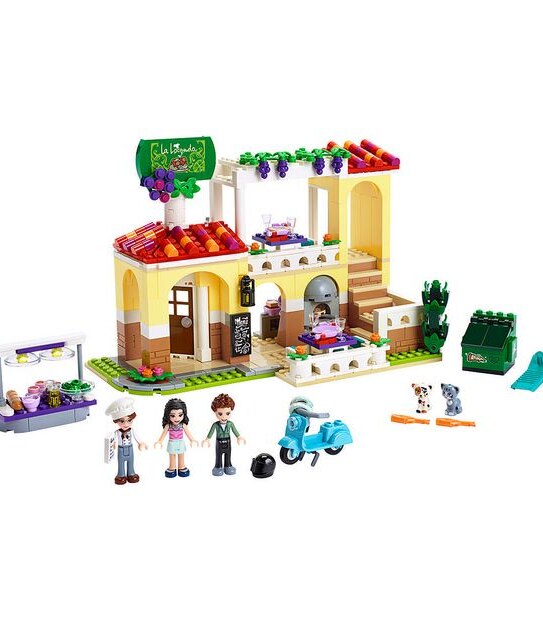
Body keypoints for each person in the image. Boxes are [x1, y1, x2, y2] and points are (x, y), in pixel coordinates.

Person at [105, 397, 147, 485]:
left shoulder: (132, 430)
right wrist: (113, 444)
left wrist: (141, 443)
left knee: (131, 461)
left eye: (129, 420)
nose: (126, 424)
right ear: (116, 421)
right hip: (121, 450)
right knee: (120, 463)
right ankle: (121, 475)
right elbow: (113, 439)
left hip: (130, 449)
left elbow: (137, 437)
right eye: (122, 421)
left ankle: (131, 473)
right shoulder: (116, 432)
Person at [202, 393, 245, 476]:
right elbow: (211, 432)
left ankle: (228, 465)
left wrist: (239, 437)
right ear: (215, 412)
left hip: (228, 441)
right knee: (218, 455)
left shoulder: (230, 424)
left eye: (227, 413)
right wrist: (207, 439)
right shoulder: (215, 424)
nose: (224, 417)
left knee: (228, 454)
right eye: (220, 414)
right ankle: (218, 467)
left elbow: (235, 431)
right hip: (219, 442)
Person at [154, 398, 198, 478]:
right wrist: (159, 441)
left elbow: (188, 433)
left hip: (180, 442)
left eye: (180, 415)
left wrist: (192, 440)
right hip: (172, 442)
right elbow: (163, 435)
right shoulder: (168, 426)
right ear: (168, 415)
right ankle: (172, 467)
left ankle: (181, 467)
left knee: (181, 455)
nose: (177, 418)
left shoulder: (183, 425)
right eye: (173, 415)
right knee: (172, 455)